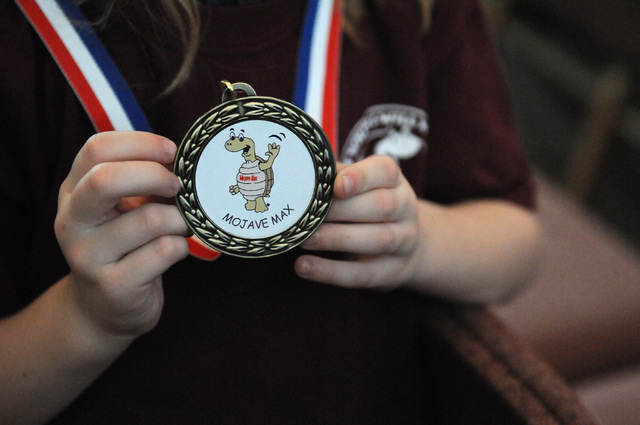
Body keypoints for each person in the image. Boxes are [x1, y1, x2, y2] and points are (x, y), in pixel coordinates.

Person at [0, 0, 541, 423]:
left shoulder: (414, 12)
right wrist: (88, 317)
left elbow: (517, 244)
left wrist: (419, 242)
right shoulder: (19, 43)